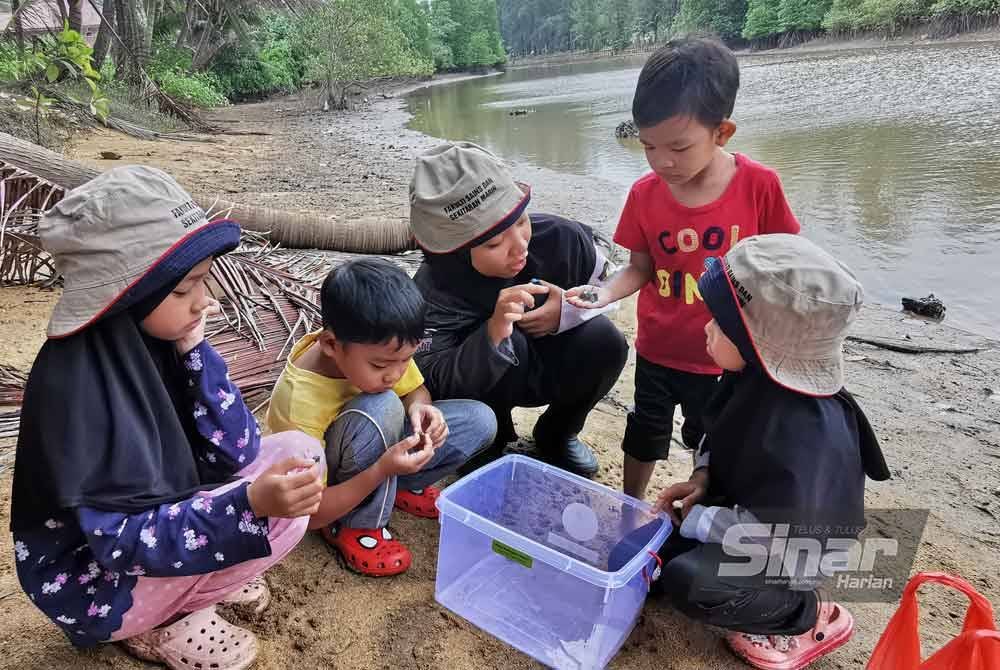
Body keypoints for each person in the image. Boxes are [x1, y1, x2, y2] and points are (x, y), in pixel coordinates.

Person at [10, 166, 328, 670]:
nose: (206, 301)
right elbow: (120, 541)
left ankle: (200, 580)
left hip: (162, 522)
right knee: (274, 512)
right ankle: (166, 622)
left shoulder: (152, 340)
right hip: (96, 580)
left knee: (299, 455)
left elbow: (238, 449)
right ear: (131, 293)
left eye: (203, 283)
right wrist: (247, 504)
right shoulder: (79, 391)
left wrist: (195, 349)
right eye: (185, 290)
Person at [620, 234, 891, 670]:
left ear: (756, 345)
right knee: (633, 556)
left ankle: (806, 614)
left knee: (691, 583)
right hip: (737, 513)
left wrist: (699, 518)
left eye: (720, 325)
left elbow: (783, 537)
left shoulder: (803, 435)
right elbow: (714, 436)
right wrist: (702, 479)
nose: (706, 329)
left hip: (787, 551)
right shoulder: (750, 376)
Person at [567, 38, 801, 500]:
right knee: (644, 429)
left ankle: (704, 503)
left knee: (712, 440)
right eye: (648, 145)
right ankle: (630, 501)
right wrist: (602, 294)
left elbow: (787, 265)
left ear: (722, 133)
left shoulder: (759, 186)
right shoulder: (644, 195)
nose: (662, 161)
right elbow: (639, 269)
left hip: (728, 356)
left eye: (678, 146)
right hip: (659, 346)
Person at [409, 141, 629, 478]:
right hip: (489, 385)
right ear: (453, 252)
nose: (520, 244)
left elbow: (610, 293)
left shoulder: (562, 239)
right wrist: (493, 334)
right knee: (511, 339)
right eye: (494, 243)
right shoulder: (433, 290)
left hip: (553, 365)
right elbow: (432, 375)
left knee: (607, 340)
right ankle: (489, 440)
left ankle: (557, 432)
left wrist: (567, 312)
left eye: (521, 221)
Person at [266, 258, 497, 577]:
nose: (395, 374)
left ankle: (396, 488)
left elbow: (415, 391)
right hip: (330, 492)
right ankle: (355, 523)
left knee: (479, 420)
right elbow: (309, 512)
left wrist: (420, 410)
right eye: (380, 366)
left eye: (406, 360)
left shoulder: (384, 350)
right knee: (383, 404)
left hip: (377, 457)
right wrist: (380, 471)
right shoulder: (299, 402)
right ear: (331, 344)